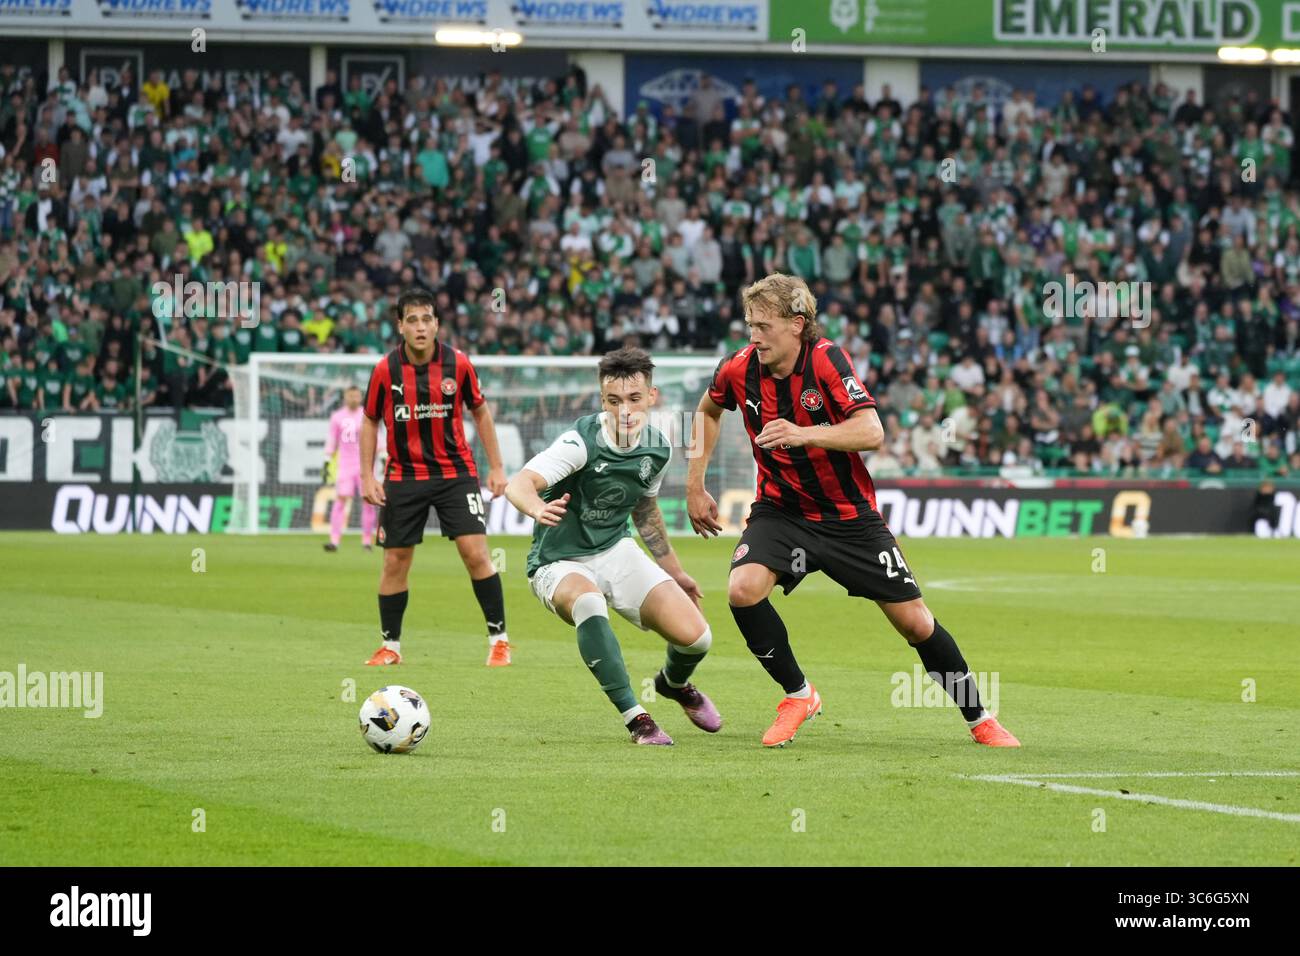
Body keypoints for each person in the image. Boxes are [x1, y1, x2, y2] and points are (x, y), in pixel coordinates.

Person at [686, 273, 1020, 748]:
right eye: (749, 325)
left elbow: (872, 431)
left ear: (797, 324)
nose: (753, 336)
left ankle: (980, 718)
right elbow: (707, 410)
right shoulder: (738, 368)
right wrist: (695, 483)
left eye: (763, 326)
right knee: (741, 589)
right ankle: (798, 695)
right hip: (781, 512)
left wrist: (803, 432)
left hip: (849, 518)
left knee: (915, 623)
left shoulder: (826, 361)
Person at [504, 347, 721, 745]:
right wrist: (536, 507)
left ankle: (673, 683)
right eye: (614, 400)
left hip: (615, 550)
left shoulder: (657, 448)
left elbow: (644, 510)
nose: (625, 410)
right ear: (602, 400)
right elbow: (517, 484)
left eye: (635, 399)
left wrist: (675, 571)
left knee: (697, 637)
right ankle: (637, 718)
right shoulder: (579, 443)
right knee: (589, 602)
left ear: (652, 397)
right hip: (558, 559)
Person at [360, 288, 511, 667]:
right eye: (412, 320)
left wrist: (496, 466)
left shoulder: (458, 364)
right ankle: (391, 646)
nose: (421, 327)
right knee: (395, 560)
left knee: (475, 553)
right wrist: (367, 475)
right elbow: (369, 420)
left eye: (427, 319)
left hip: (454, 473)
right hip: (403, 475)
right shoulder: (385, 370)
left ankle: (499, 640)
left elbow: (481, 412)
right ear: (401, 326)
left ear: (437, 324)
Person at [323, 385, 378, 552]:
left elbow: (377, 437)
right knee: (340, 500)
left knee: (368, 502)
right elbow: (332, 439)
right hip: (345, 465)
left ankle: (367, 541)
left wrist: (382, 456)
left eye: (356, 395)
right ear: (345, 397)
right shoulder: (337, 416)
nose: (353, 398)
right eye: (350, 395)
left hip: (366, 465)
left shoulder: (367, 414)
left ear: (361, 397)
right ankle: (334, 540)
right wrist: (327, 459)